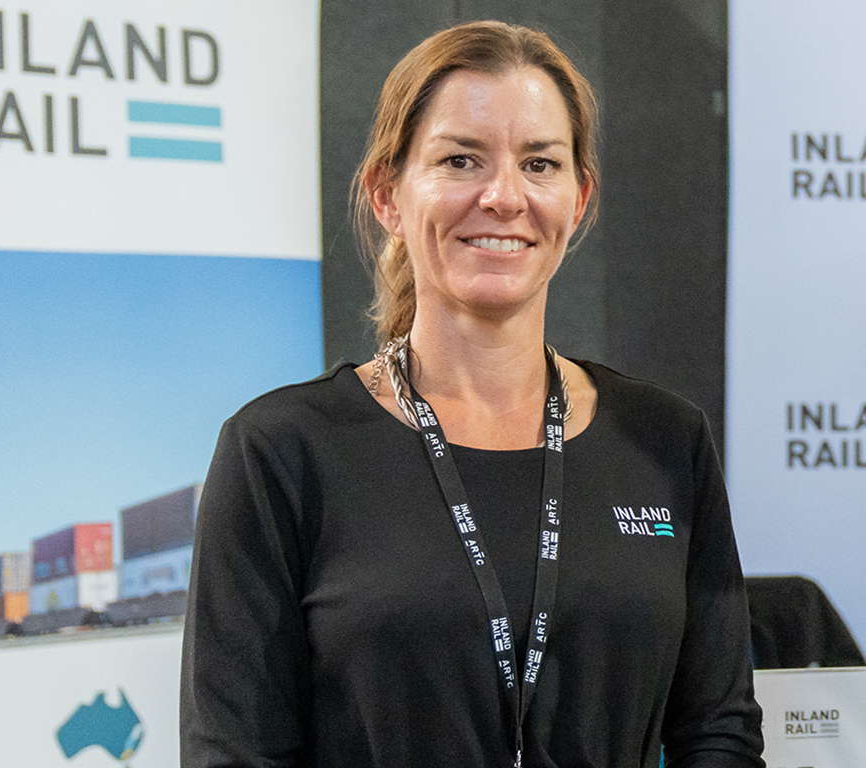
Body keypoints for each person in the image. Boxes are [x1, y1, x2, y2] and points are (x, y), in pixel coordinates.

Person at [180, 20, 764, 768]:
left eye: (540, 164)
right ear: (387, 193)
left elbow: (719, 734)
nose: (504, 196)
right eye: (461, 159)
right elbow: (234, 752)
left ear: (578, 199)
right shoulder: (280, 452)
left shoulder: (664, 441)